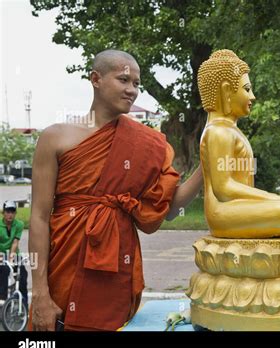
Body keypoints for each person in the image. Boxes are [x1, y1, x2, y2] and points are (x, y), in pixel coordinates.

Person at [29, 49, 203, 331]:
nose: (132, 90)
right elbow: (38, 217)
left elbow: (169, 210)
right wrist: (39, 294)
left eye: (136, 83)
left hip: (115, 270)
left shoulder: (145, 144)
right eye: (124, 80)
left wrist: (206, 166)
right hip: (63, 268)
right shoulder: (55, 137)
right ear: (95, 79)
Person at [0, 200, 28, 309]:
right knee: (4, 270)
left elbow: (15, 242)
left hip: (13, 254)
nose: (10, 214)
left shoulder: (19, 224)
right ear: (3, 213)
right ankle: (2, 303)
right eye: (7, 211)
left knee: (22, 275)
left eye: (12, 212)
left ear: (15, 213)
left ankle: (24, 304)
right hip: (1, 254)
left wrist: (11, 258)